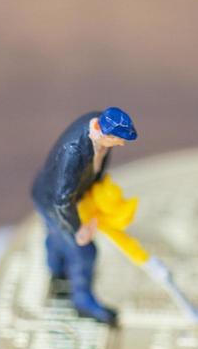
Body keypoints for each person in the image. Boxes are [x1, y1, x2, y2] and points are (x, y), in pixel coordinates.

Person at [30, 107, 137, 324]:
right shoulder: (74, 152)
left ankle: (56, 269)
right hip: (53, 202)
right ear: (103, 132)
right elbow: (62, 200)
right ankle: (82, 302)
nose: (121, 144)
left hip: (53, 193)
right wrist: (77, 229)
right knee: (84, 251)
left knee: (55, 237)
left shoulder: (98, 123)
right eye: (118, 139)